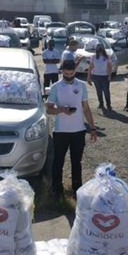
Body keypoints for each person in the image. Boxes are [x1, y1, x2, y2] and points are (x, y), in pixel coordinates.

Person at [45, 60, 96, 199]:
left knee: (76, 161)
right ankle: (57, 189)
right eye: (66, 73)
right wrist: (61, 110)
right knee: (58, 161)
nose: (69, 76)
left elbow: (86, 108)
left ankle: (77, 188)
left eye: (71, 73)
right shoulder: (56, 87)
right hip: (60, 131)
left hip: (78, 131)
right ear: (62, 72)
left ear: (75, 71)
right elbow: (49, 108)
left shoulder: (82, 85)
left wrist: (92, 128)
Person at [88, 43, 113, 111]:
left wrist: (110, 76)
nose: (100, 49)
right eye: (98, 48)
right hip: (96, 76)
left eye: (101, 48)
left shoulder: (107, 57)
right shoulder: (93, 57)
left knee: (106, 91)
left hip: (105, 76)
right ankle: (101, 104)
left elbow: (110, 67)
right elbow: (90, 67)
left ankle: (108, 104)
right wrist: (89, 77)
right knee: (98, 91)